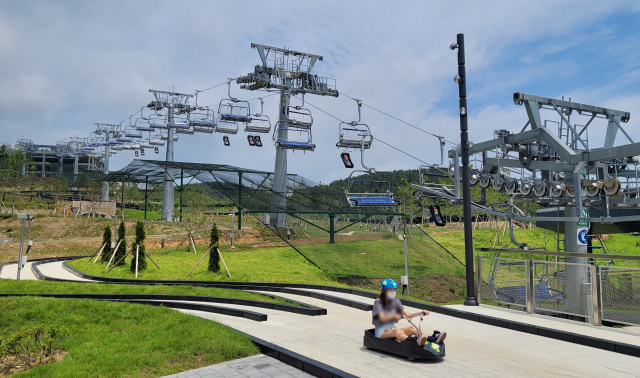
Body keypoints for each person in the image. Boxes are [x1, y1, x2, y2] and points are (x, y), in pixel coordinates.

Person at [372, 278, 446, 347]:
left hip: (392, 329)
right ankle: (413, 342)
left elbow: (407, 314)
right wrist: (394, 316)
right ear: (384, 290)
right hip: (381, 333)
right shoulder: (378, 302)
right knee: (396, 330)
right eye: (390, 290)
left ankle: (433, 339)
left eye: (394, 290)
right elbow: (382, 317)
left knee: (412, 328)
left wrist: (420, 313)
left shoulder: (396, 301)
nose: (393, 292)